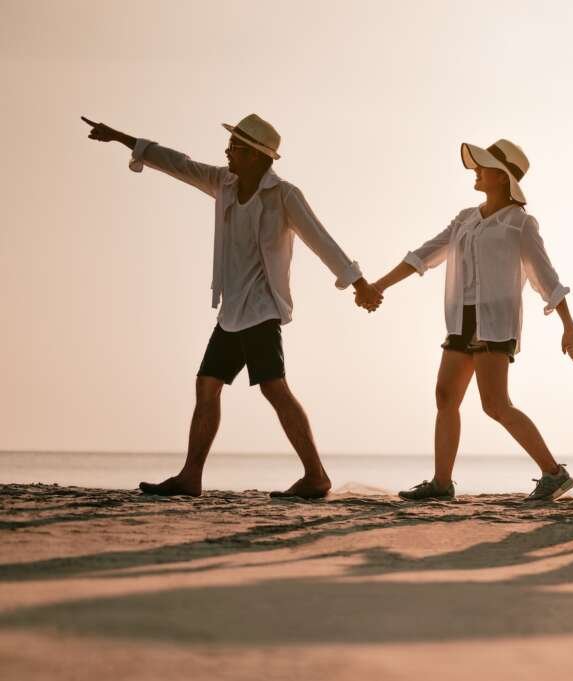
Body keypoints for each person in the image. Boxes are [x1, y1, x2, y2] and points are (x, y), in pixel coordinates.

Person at [81, 114, 382, 499]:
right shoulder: (223, 183)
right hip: (232, 311)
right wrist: (122, 138)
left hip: (261, 308)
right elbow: (178, 163)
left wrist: (358, 283)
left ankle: (316, 476)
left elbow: (321, 238)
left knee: (274, 389)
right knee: (207, 386)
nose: (227, 153)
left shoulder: (284, 195)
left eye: (235, 147)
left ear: (257, 156)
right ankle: (191, 477)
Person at [371, 139, 573, 502]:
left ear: (502, 177)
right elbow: (425, 254)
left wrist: (569, 325)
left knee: (495, 404)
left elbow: (546, 277)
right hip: (461, 319)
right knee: (445, 396)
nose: (476, 171)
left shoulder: (521, 223)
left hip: (495, 321)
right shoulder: (465, 219)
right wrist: (380, 285)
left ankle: (554, 473)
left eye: (483, 167)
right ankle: (441, 484)